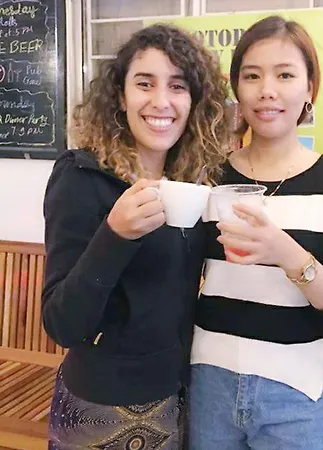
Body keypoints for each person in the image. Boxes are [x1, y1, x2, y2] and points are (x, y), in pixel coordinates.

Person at [190, 15, 323, 450]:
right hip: (208, 384)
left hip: (294, 394)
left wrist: (286, 253)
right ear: (238, 88)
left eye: (285, 75)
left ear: (310, 89)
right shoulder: (208, 176)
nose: (267, 90)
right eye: (252, 76)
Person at [43, 23, 229, 450]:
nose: (161, 101)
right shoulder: (81, 177)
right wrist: (115, 234)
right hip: (101, 406)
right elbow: (61, 323)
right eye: (145, 83)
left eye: (177, 86)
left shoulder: (192, 183)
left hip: (178, 396)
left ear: (194, 101)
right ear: (121, 96)